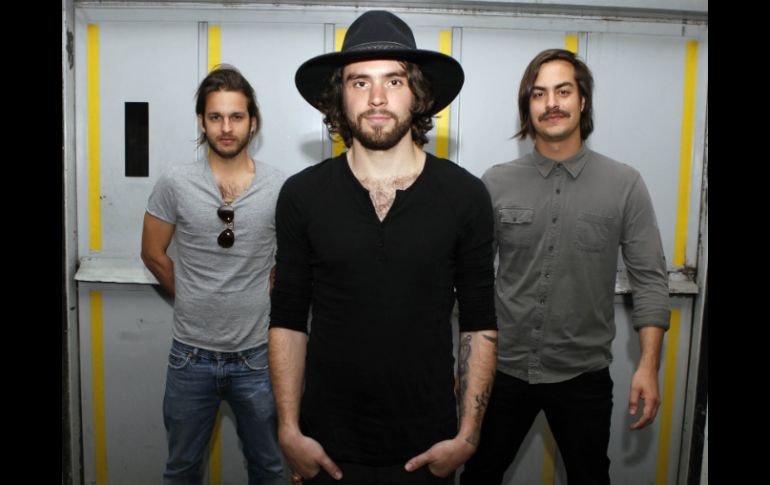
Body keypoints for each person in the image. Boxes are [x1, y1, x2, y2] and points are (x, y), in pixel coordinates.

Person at [268, 10, 498, 485]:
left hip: (428, 447)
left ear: (419, 95)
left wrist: (469, 434)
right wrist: (289, 430)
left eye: (394, 81)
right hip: (325, 447)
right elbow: (288, 319)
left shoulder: (466, 196)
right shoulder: (302, 195)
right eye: (359, 82)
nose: (376, 97)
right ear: (339, 97)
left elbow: (478, 323)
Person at [460, 48, 671, 485]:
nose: (551, 103)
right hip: (504, 372)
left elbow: (650, 280)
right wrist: (466, 370)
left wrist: (648, 366)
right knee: (479, 475)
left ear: (583, 100)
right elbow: (471, 282)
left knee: (590, 477)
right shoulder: (495, 183)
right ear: (527, 106)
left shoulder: (624, 184)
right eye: (538, 94)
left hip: (583, 377)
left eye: (563, 91)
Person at [141, 65, 284, 485]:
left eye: (236, 116)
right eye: (216, 117)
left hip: (256, 358)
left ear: (253, 122)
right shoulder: (175, 182)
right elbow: (152, 253)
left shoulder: (280, 186)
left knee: (269, 468)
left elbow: (290, 261)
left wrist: (262, 295)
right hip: (190, 357)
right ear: (201, 122)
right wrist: (191, 297)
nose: (226, 128)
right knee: (182, 470)